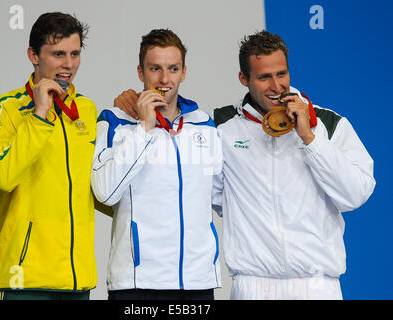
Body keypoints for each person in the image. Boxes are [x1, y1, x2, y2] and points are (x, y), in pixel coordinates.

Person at [113, 30, 375, 300]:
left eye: (281, 74)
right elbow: (196, 189)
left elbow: (355, 194)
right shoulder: (220, 126)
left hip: (317, 285)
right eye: (264, 77)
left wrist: (310, 138)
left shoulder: (327, 124)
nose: (276, 86)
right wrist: (131, 103)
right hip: (252, 285)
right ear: (244, 78)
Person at [92, 29, 222, 300]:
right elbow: (105, 192)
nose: (164, 79)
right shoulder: (115, 122)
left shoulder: (204, 125)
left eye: (173, 68)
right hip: (138, 283)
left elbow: (221, 196)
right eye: (155, 68)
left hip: (197, 282)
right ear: (141, 72)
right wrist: (145, 128)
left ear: (184, 72)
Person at [0, 12, 98, 300]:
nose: (68, 64)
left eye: (74, 53)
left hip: (76, 280)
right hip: (22, 280)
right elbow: (3, 177)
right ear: (33, 55)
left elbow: (99, 189)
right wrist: (40, 115)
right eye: (58, 54)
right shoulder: (6, 108)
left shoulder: (87, 111)